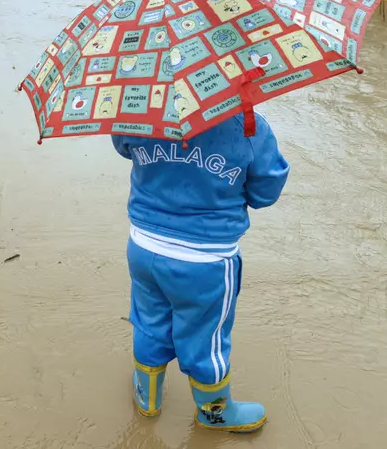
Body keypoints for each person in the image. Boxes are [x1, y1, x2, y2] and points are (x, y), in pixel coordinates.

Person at [111, 113, 289, 433]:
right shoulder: (248, 124)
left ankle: (146, 396)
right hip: (205, 260)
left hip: (143, 246)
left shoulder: (135, 111)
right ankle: (214, 413)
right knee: (207, 337)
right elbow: (265, 193)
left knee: (149, 319)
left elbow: (124, 148)